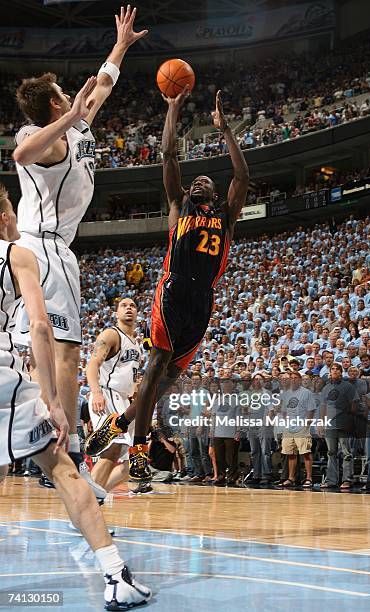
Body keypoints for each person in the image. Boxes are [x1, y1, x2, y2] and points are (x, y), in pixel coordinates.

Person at [12, 6, 147, 487]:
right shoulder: (39, 134)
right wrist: (68, 117)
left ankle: (37, 442)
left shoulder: (77, 124)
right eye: (64, 97)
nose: (73, 99)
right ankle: (65, 449)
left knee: (26, 350)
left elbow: (104, 83)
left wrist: (122, 45)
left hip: (34, 251)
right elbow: (20, 154)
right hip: (44, 248)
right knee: (66, 349)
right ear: (52, 105)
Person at [85, 88, 249, 481]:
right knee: (156, 365)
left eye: (205, 181)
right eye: (194, 181)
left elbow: (242, 175)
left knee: (168, 380)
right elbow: (169, 155)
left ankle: (120, 421)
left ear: (213, 192)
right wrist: (173, 109)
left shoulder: (226, 216)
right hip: (173, 290)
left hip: (202, 299)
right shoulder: (178, 206)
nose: (198, 182)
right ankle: (140, 449)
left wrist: (226, 131)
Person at [0, 185, 151, 609]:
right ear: (2, 218)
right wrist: (52, 399)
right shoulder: (16, 254)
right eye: (11, 209)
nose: (16, 217)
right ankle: (116, 575)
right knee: (65, 469)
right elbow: (42, 327)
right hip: (5, 382)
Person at [86, 297, 144, 492]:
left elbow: (132, 378)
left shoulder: (136, 344)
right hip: (107, 394)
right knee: (113, 448)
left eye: (133, 305)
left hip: (125, 401)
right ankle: (87, 499)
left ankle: (98, 494)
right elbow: (92, 365)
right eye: (124, 305)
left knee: (137, 459)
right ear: (116, 313)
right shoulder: (111, 334)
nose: (129, 308)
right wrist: (96, 392)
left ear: (137, 313)